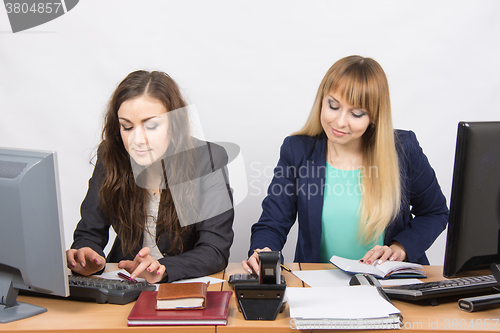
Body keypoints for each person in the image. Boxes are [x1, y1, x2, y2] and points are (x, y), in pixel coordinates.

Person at [242, 55, 449, 274]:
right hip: (321, 285)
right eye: (333, 106)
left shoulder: (404, 149)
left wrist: (400, 247)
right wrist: (263, 250)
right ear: (321, 100)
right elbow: (272, 223)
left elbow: (435, 212)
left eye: (357, 113)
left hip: (392, 283)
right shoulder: (297, 151)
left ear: (374, 116)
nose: (340, 122)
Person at [67, 70, 234, 283]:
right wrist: (85, 255)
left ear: (175, 125)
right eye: (126, 127)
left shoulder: (208, 158)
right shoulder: (111, 155)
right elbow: (89, 232)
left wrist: (163, 268)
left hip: (182, 284)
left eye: (151, 126)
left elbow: (214, 250)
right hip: (125, 282)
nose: (137, 139)